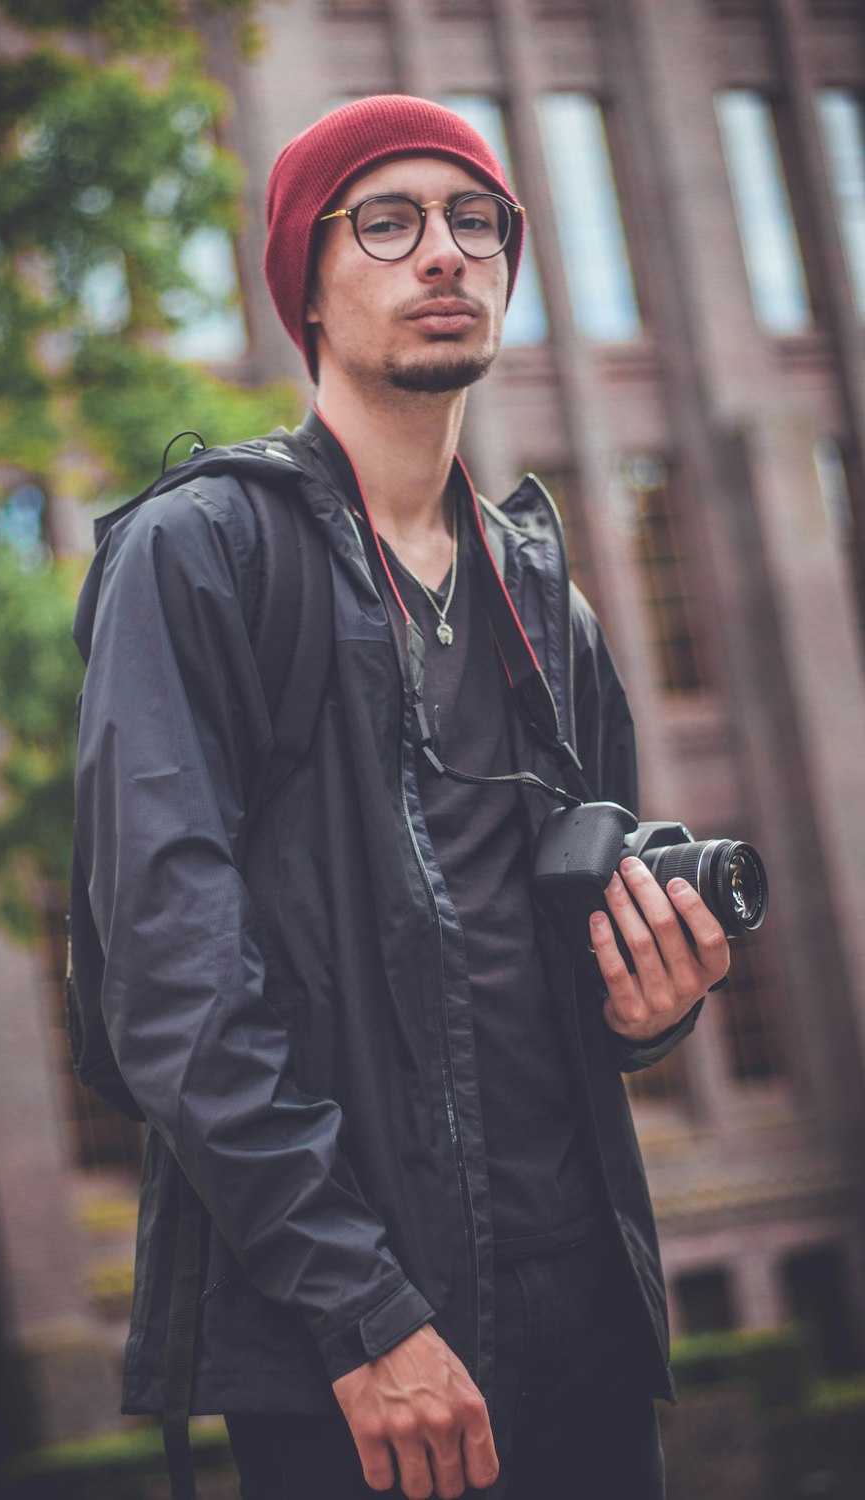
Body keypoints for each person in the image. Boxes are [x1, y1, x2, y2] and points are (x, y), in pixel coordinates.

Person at [73, 95, 730, 1499]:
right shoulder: (202, 557)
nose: (445, 253)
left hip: (589, 1315)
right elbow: (172, 989)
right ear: (305, 283)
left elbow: (548, 962)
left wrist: (646, 1003)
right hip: (358, 1352)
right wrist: (364, 1317)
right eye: (389, 221)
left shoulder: (544, 592)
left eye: (476, 222)